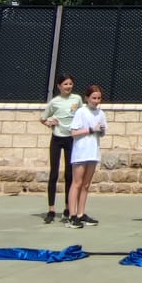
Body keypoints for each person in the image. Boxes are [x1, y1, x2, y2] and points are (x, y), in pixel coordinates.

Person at [40, 72, 81, 223]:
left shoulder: (77, 99)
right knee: (54, 174)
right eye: (65, 84)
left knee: (70, 174)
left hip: (71, 139)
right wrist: (50, 123)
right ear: (59, 86)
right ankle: (51, 209)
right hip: (57, 139)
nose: (68, 86)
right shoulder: (54, 102)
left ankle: (67, 207)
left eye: (70, 84)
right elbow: (43, 118)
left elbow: (81, 114)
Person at [68, 84, 106, 228]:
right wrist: (90, 129)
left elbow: (102, 131)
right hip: (81, 152)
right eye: (93, 98)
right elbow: (73, 132)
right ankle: (72, 215)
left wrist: (100, 130)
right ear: (87, 98)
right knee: (77, 183)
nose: (96, 101)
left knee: (86, 184)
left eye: (98, 98)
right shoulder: (81, 112)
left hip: (92, 151)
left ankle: (81, 213)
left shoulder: (101, 113)